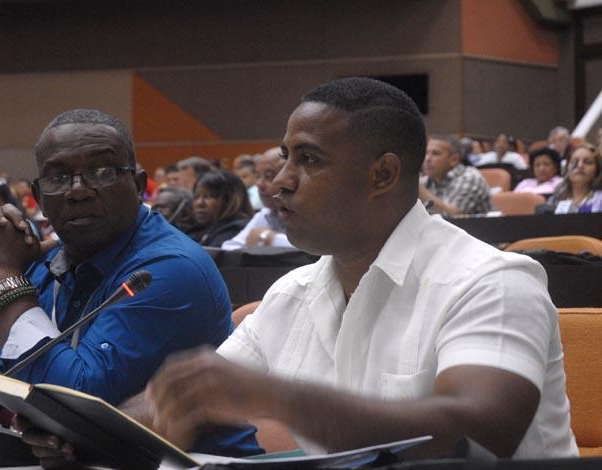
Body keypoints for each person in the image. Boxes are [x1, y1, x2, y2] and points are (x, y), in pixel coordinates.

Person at [144, 78, 577, 459]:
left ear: (382, 175)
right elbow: (185, 403)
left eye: (308, 160)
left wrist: (277, 398)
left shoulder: (490, 281)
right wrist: (110, 422)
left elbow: (478, 432)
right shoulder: (291, 293)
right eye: (286, 157)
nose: (280, 181)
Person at [0, 109, 259, 456]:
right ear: (39, 196)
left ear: (138, 185)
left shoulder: (170, 269)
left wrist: (3, 278)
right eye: (58, 176)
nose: (78, 191)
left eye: (101, 172)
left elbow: (71, 407)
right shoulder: (47, 260)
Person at [222, 147, 294, 250]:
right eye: (258, 176)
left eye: (269, 176)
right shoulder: (265, 214)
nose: (259, 184)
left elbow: (314, 251)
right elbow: (229, 247)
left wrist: (270, 239)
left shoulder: (310, 213)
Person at [419, 134, 492, 215]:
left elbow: (455, 216)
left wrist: (418, 189)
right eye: (426, 153)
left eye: (435, 153)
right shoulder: (426, 180)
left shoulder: (470, 178)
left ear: (454, 159)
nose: (427, 159)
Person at [188, 170, 252, 247]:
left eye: (210, 196)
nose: (200, 203)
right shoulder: (199, 229)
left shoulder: (235, 229)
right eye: (196, 196)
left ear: (230, 200)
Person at [547, 143, 602, 213]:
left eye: (588, 162)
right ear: (567, 168)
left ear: (597, 170)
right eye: (574, 162)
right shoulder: (555, 199)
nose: (580, 165)